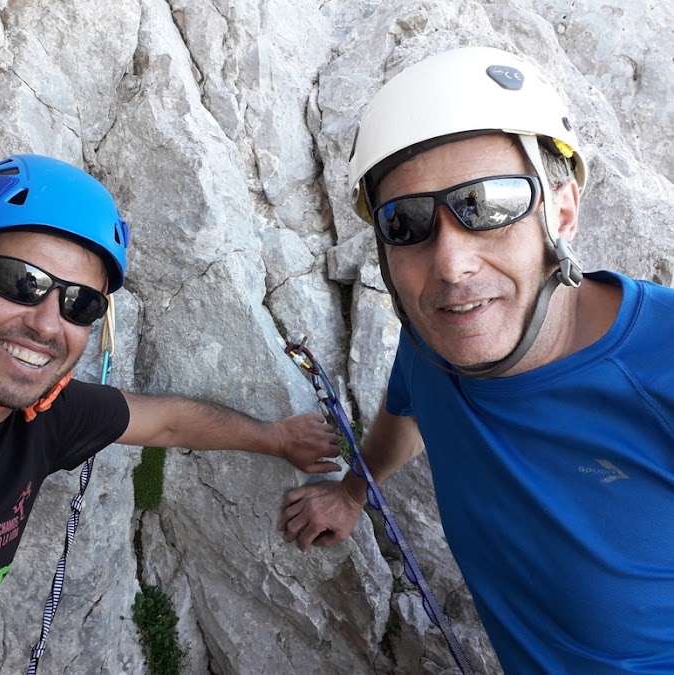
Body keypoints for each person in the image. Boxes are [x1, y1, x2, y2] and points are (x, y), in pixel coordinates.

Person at [0, 153, 340, 674]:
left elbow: (168, 420)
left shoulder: (46, 419)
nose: (47, 325)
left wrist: (276, 439)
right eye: (21, 282)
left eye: (80, 303)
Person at [279, 46, 674, 673]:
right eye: (405, 223)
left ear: (562, 212)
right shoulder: (435, 340)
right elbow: (407, 410)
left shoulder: (661, 363)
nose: (451, 265)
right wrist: (354, 492)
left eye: (488, 206)